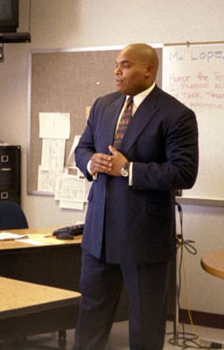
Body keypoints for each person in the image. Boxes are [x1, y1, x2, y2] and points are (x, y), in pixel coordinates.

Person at [73, 43, 199, 349]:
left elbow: (184, 173)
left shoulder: (176, 114)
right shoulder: (103, 106)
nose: (117, 72)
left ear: (148, 70)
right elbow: (82, 149)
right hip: (99, 234)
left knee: (145, 326)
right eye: (116, 65)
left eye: (125, 65)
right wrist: (91, 162)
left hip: (144, 237)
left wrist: (129, 169)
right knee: (90, 318)